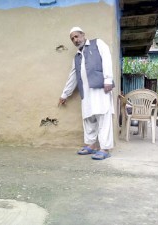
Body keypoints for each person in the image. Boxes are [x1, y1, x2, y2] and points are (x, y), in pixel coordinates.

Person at [58, 27, 114, 160]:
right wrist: (65, 94)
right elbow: (73, 77)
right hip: (86, 92)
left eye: (77, 36)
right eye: (72, 39)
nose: (75, 40)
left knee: (103, 116)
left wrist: (108, 79)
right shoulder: (76, 57)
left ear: (83, 35)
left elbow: (107, 59)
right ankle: (91, 145)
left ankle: (105, 148)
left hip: (101, 88)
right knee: (88, 118)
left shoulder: (98, 43)